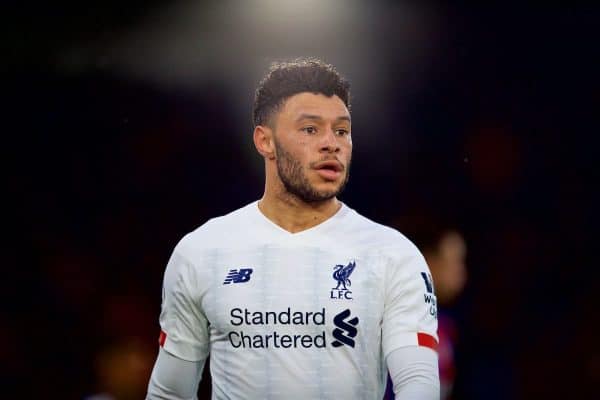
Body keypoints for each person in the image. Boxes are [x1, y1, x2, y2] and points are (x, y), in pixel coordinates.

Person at [146, 58, 440, 399]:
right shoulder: (202, 251)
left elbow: (418, 383)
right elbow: (170, 392)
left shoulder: (392, 254)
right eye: (310, 129)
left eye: (341, 131)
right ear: (265, 141)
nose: (331, 143)